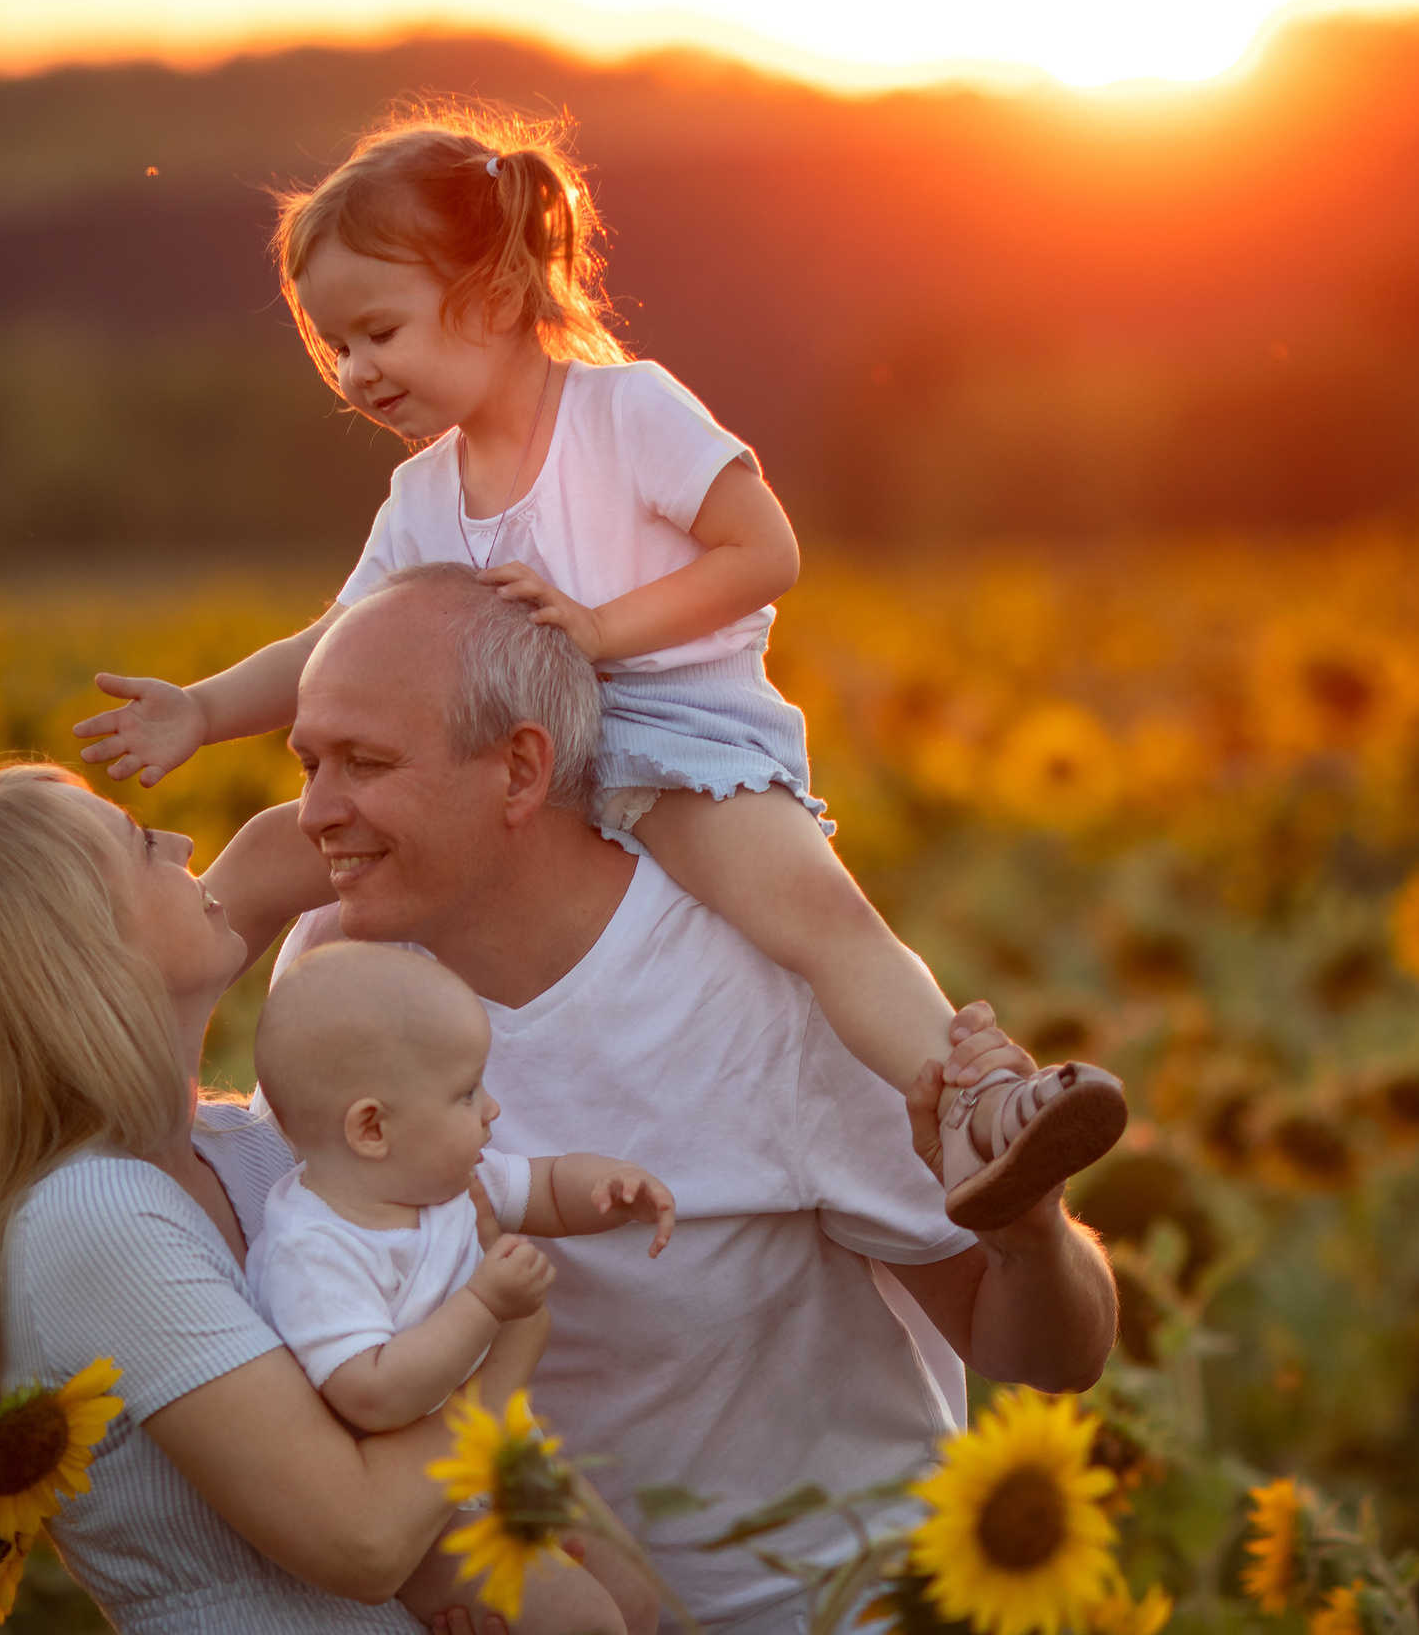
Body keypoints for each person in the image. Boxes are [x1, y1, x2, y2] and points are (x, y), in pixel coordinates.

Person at [71, 104, 1124, 1229]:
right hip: (501, 762)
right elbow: (335, 642)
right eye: (336, 347)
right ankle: (126, 1075)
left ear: (494, 295)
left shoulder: (626, 411)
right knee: (267, 852)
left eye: (379, 331)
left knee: (811, 914)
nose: (357, 370)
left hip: (674, 736)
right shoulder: (423, 494)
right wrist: (204, 708)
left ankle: (972, 1105)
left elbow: (763, 552)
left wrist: (602, 631)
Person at [209, 564, 1120, 1635]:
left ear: (521, 769)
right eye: (308, 762)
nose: (314, 812)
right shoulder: (340, 969)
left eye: (367, 763)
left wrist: (1030, 1232)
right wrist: (435, 1563)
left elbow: (1042, 1355)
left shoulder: (762, 985)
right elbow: (322, 1281)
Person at [0, 763, 485, 1635]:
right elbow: (364, 1537)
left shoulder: (246, 1148)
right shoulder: (91, 1216)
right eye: (141, 842)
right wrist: (505, 1343)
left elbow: (270, 854)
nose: (182, 848)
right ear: (73, 951)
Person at [246, 939, 673, 1635]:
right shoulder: (315, 1249)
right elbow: (368, 1392)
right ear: (371, 1128)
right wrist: (484, 1305)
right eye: (468, 1092)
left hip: (506, 1455)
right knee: (582, 1631)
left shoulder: (441, 1179)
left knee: (635, 1593)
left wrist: (604, 1187)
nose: (493, 1108)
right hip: (426, 1506)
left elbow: (538, 1187)